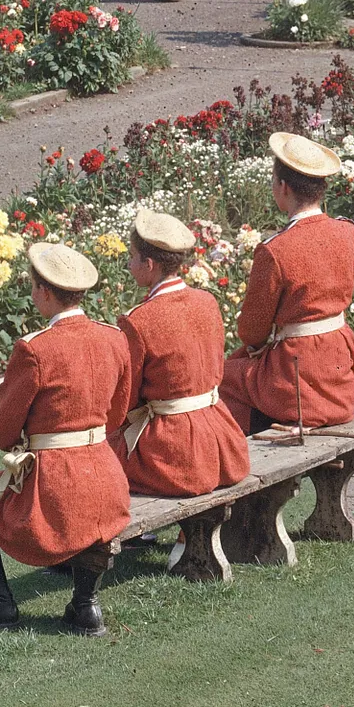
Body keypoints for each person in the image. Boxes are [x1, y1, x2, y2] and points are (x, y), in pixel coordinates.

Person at [0, 240, 134, 629]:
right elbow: (118, 414)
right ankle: (86, 606)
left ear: (43, 292)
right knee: (93, 517)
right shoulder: (113, 337)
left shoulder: (35, 349)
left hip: (56, 485)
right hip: (107, 479)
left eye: (34, 286)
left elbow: (3, 432)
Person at [222, 132, 354, 428]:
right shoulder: (347, 232)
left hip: (295, 385)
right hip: (340, 382)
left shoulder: (275, 249)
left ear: (282, 186)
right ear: (321, 188)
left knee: (221, 380)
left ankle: (248, 462)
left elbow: (252, 330)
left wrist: (255, 345)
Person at [110, 208, 249, 499]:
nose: (128, 263)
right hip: (222, 440)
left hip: (174, 452)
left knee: (101, 461)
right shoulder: (207, 301)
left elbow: (126, 399)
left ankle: (136, 533)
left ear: (149, 264)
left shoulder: (138, 320)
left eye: (132, 256)